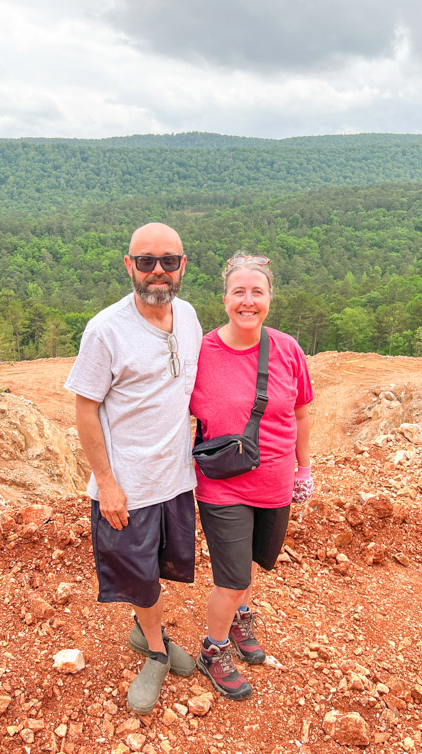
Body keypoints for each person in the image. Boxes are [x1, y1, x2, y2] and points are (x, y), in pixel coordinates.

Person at [64, 223, 202, 714]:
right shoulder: (106, 329)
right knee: (138, 575)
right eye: (147, 261)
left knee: (162, 565)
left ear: (183, 265)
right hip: (128, 485)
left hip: (176, 478)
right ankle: (157, 650)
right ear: (129, 266)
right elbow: (85, 408)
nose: (158, 270)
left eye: (168, 260)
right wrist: (106, 483)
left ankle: (145, 632)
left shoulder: (188, 317)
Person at [189, 252, 314, 699]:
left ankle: (241, 621)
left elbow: (300, 411)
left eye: (256, 292)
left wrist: (305, 469)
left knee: (254, 563)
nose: (248, 300)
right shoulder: (200, 351)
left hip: (275, 482)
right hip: (222, 486)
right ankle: (213, 649)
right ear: (224, 299)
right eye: (238, 292)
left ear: (269, 298)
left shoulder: (287, 348)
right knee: (233, 578)